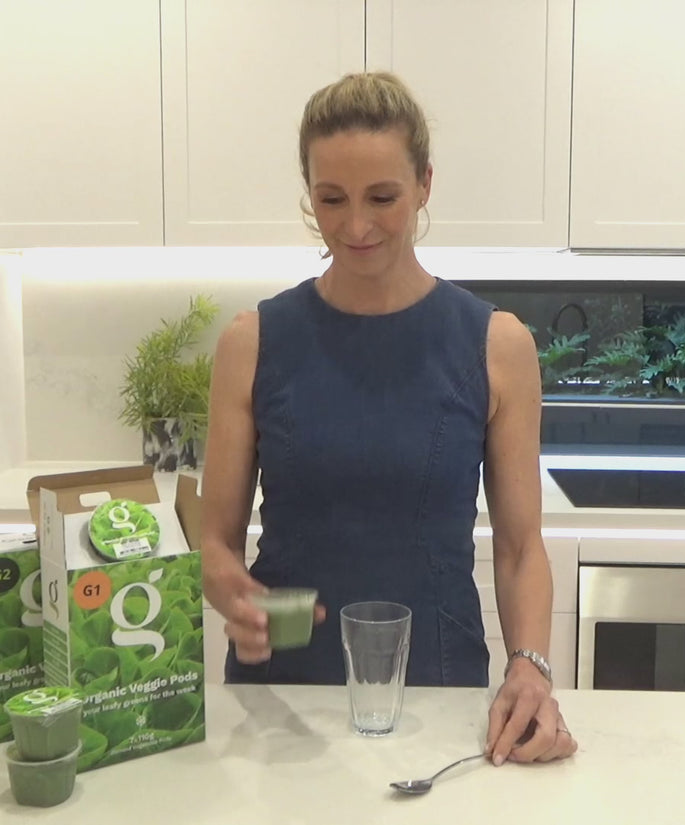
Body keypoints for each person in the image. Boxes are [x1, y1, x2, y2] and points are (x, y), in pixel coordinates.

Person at [200, 71, 576, 766]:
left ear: (424, 185)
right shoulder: (251, 342)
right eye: (330, 199)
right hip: (283, 695)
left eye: (382, 197)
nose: (355, 226)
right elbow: (214, 541)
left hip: (438, 691)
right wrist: (228, 590)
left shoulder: (497, 345)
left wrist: (531, 667)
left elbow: (521, 548)